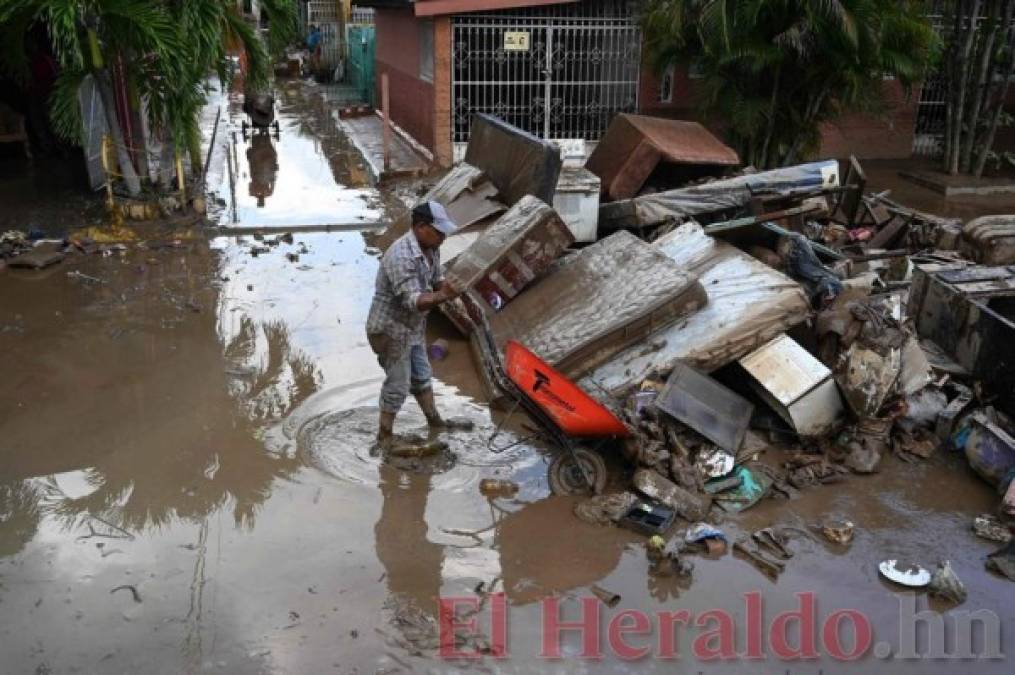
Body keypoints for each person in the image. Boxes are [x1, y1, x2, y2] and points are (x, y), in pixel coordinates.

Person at [366, 201, 466, 443]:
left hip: (411, 327)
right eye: (438, 231)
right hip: (389, 329)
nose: (443, 237)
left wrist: (454, 295)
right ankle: (384, 436)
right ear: (421, 227)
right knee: (398, 384)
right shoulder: (401, 256)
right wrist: (444, 295)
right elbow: (413, 301)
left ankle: (435, 422)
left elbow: (436, 279)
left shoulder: (431, 248)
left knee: (422, 375)